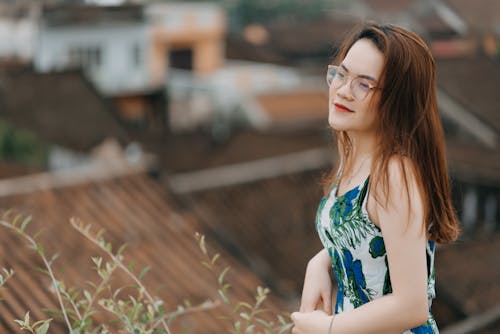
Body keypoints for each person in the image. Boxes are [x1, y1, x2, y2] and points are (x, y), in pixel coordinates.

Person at [291, 22, 460, 333]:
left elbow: (412, 305)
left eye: (364, 85)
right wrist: (321, 261)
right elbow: (372, 240)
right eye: (341, 74)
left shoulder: (395, 175)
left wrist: (327, 328)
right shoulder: (357, 157)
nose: (342, 90)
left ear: (397, 101)